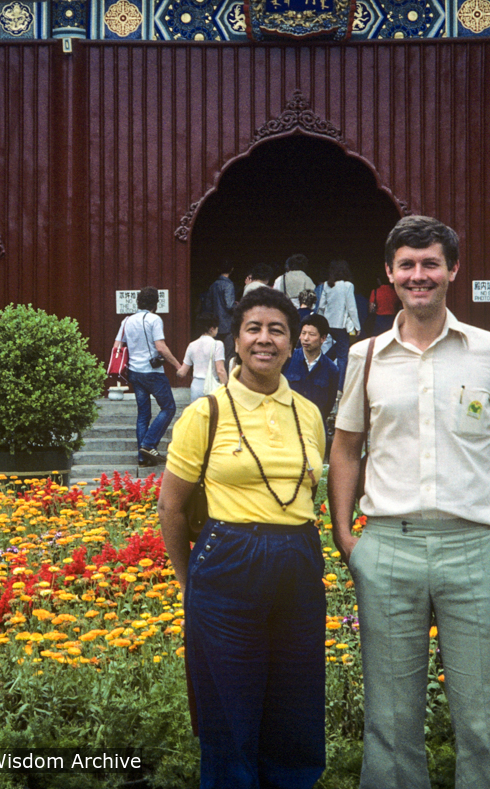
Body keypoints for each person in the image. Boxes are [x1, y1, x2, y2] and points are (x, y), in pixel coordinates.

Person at [328, 216, 490, 789]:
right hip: (388, 548)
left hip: (471, 551)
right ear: (390, 274)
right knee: (391, 720)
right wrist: (346, 534)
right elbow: (345, 448)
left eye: (430, 264)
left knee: (482, 716)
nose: (418, 275)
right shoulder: (365, 355)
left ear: (452, 270)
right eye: (407, 265)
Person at [158, 286, 327, 789]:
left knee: (295, 701)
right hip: (227, 563)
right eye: (253, 328)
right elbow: (170, 506)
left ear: (293, 342)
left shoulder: (310, 414)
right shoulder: (205, 414)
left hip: (298, 561)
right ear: (235, 340)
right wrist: (189, 583)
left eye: (277, 330)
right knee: (229, 707)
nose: (265, 339)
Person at [114, 287, 185, 466]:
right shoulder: (154, 319)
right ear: (156, 303)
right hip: (152, 373)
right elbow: (160, 347)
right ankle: (148, 443)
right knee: (168, 407)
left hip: (134, 373)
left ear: (138, 302)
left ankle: (142, 457)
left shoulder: (127, 320)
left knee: (143, 413)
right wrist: (178, 365)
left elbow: (117, 346)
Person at [283, 314, 340, 422]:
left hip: (314, 426)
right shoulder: (287, 360)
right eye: (303, 333)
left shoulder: (331, 370)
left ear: (323, 338)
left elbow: (328, 406)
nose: (305, 338)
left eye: (311, 334)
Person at [315, 259, 359, 390]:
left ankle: (319, 365)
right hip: (341, 325)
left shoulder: (327, 285)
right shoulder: (348, 286)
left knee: (337, 350)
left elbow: (321, 306)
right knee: (342, 357)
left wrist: (320, 323)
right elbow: (351, 308)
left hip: (328, 324)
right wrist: (357, 326)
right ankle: (339, 389)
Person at [180, 313, 227, 401]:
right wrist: (227, 387)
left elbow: (182, 372)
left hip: (196, 386)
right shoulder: (218, 344)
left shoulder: (192, 345)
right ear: (212, 329)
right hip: (212, 385)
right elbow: (220, 370)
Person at [208, 261, 236, 364]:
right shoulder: (228, 284)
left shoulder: (213, 285)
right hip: (227, 324)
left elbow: (208, 305)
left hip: (215, 324)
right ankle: (226, 379)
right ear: (232, 269)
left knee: (216, 354)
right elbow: (229, 305)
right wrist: (237, 305)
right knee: (228, 354)